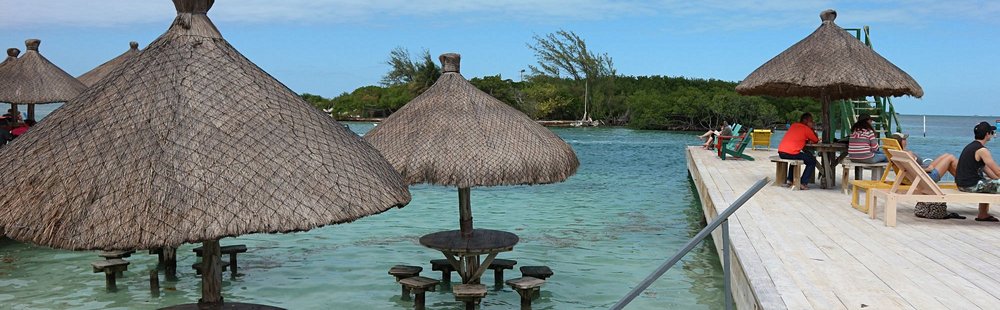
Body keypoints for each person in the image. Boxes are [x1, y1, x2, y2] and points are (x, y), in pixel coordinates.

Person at [955, 122, 1000, 222]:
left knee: (988, 182)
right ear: (987, 134)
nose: (992, 135)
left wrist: (997, 180)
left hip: (963, 184)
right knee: (986, 183)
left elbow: (989, 172)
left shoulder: (971, 147)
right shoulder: (982, 150)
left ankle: (983, 214)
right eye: (991, 132)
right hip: (971, 185)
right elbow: (997, 171)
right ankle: (983, 214)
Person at [889, 132, 957, 182]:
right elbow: (911, 169)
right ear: (901, 142)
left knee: (946, 155)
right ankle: (964, 181)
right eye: (904, 139)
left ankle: (961, 181)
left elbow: (908, 169)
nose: (906, 140)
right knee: (950, 158)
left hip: (919, 175)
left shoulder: (897, 153)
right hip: (926, 178)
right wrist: (928, 169)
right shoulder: (907, 154)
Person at [777, 112, 819, 190]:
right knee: (812, 161)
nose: (812, 122)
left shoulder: (793, 125)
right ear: (805, 120)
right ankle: (803, 183)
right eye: (811, 121)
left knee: (795, 156)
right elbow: (816, 140)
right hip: (791, 153)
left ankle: (790, 180)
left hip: (781, 152)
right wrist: (812, 129)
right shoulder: (806, 129)